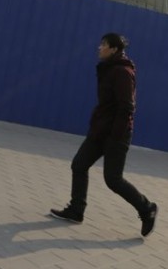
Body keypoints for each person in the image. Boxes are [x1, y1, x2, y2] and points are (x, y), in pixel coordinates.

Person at [50, 32, 158, 237]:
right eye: (100, 44)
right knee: (79, 164)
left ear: (114, 49)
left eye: (104, 45)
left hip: (116, 134)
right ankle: (76, 210)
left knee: (113, 179)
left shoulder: (122, 72)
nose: (99, 48)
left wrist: (115, 135)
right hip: (101, 130)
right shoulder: (109, 68)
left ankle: (147, 209)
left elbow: (127, 107)